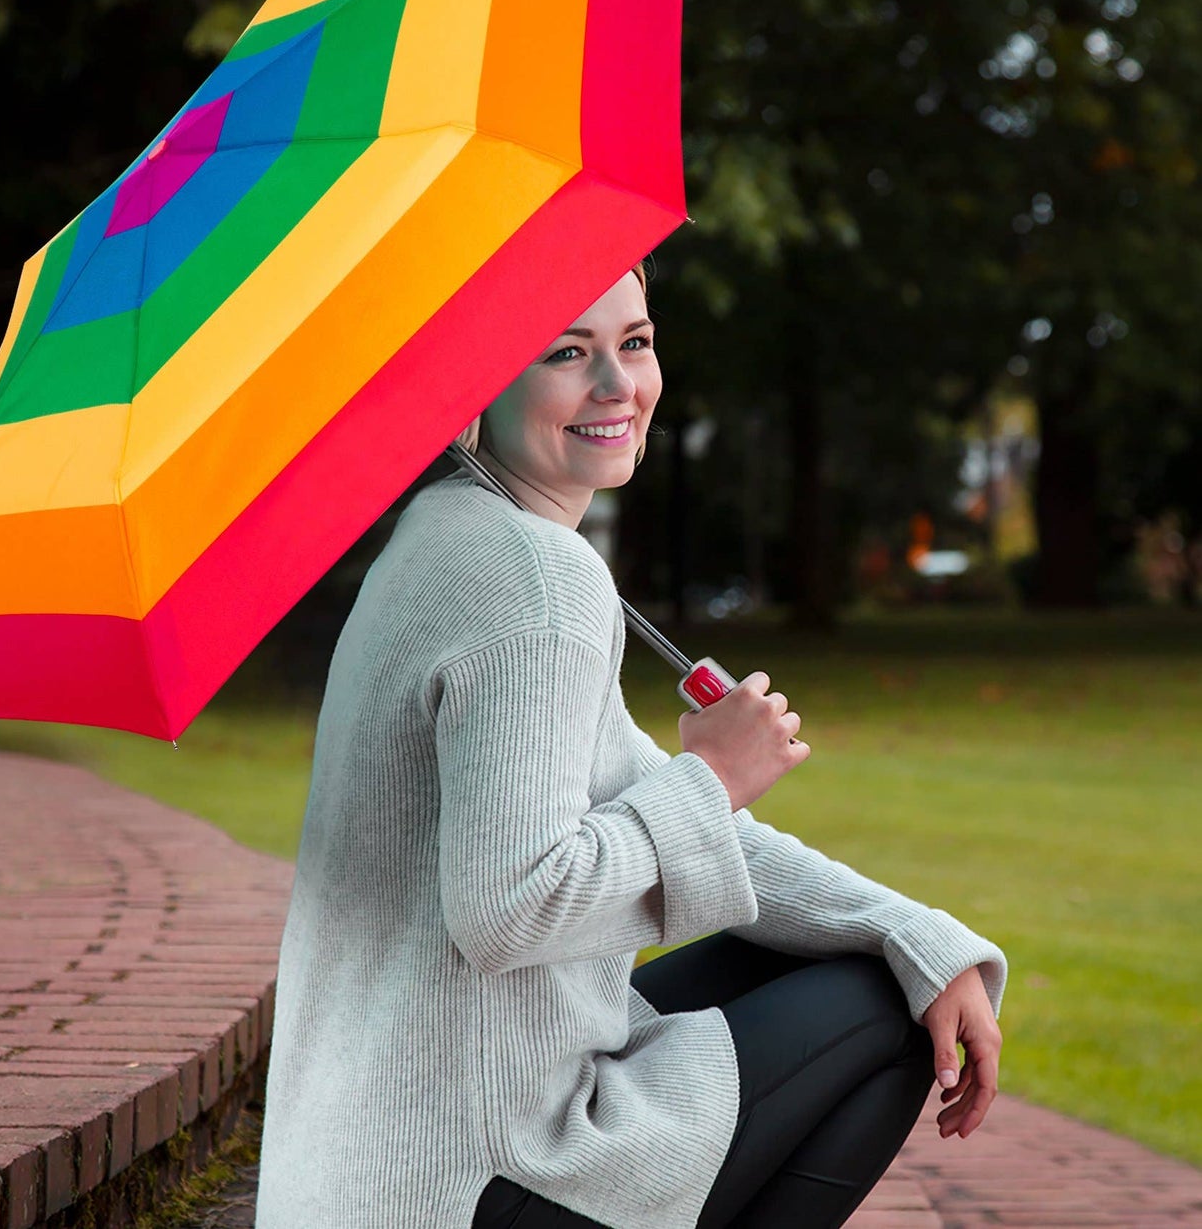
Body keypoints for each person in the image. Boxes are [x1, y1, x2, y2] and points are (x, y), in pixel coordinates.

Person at [253, 258, 1007, 1229]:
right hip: (467, 1173)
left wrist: (917, 933)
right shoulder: (533, 579)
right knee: (880, 1012)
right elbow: (509, 905)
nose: (616, 386)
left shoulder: (452, 530)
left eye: (634, 342)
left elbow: (665, 815)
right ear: (480, 380)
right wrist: (710, 777)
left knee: (871, 958)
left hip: (373, 1152)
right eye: (567, 352)